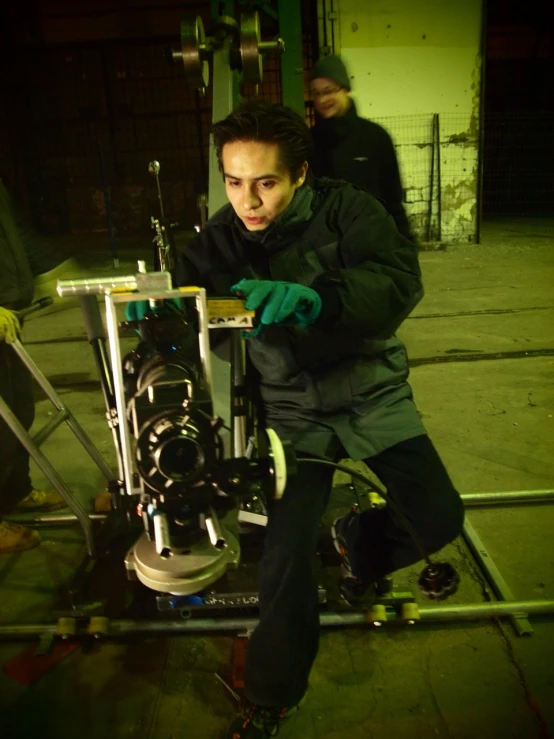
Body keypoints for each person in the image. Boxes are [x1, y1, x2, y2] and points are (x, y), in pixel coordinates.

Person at [127, 101, 464, 738]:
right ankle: (272, 694)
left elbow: (396, 281)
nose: (248, 201)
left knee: (439, 516)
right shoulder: (218, 242)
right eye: (233, 182)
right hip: (293, 412)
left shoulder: (351, 210)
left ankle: (359, 547)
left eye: (266, 183)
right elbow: (176, 316)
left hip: (371, 392)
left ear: (300, 175)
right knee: (284, 558)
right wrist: (153, 326)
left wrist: (318, 298)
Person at [0, 178, 68, 554]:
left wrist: (50, 268)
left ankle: (16, 492)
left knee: (19, 411)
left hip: (9, 316)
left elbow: (15, 233)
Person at [310, 54, 415, 243]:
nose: (322, 99)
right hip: (325, 246)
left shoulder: (375, 137)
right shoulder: (309, 141)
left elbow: (392, 199)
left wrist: (405, 245)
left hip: (371, 241)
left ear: (346, 89)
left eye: (328, 90)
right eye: (316, 93)